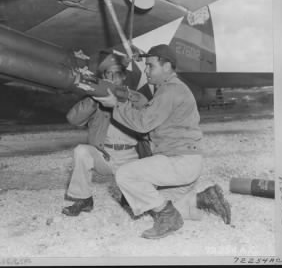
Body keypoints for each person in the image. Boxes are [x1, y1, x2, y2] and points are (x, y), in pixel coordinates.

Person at [93, 44, 231, 239]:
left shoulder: (169, 90)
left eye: (151, 66)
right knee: (155, 203)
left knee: (125, 175)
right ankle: (204, 198)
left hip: (179, 161)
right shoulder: (173, 89)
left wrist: (116, 106)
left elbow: (143, 123)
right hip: (187, 161)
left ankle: (168, 219)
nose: (147, 71)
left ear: (167, 67)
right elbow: (150, 120)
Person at [62, 53, 147, 217]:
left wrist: (123, 98)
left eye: (117, 75)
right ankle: (83, 198)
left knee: (139, 205)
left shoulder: (135, 98)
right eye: (108, 76)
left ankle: (127, 193)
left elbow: (145, 109)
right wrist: (94, 97)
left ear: (124, 77)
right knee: (81, 151)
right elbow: (72, 118)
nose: (113, 80)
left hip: (130, 158)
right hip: (105, 156)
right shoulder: (96, 101)